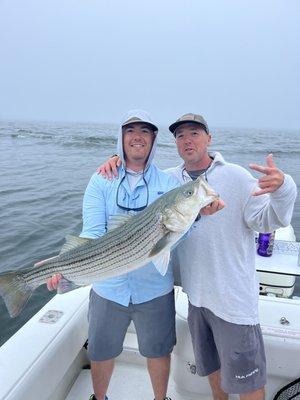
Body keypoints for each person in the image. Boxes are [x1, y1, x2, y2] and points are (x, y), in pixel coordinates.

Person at [98, 113, 297, 400]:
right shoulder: (169, 179)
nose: (187, 140)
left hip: (233, 301)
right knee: (213, 372)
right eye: (180, 136)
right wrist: (114, 161)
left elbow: (267, 220)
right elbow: (137, 173)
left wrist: (283, 189)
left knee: (247, 381)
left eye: (194, 133)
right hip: (196, 299)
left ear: (209, 138)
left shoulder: (235, 176)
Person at [46, 110, 223, 400]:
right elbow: (92, 232)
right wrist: (62, 266)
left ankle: (159, 398)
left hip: (154, 289)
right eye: (130, 130)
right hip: (107, 287)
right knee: (101, 350)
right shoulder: (101, 180)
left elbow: (179, 234)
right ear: (121, 138)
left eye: (145, 131)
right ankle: (99, 398)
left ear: (153, 140)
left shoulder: (168, 185)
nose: (137, 136)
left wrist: (198, 214)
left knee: (158, 350)